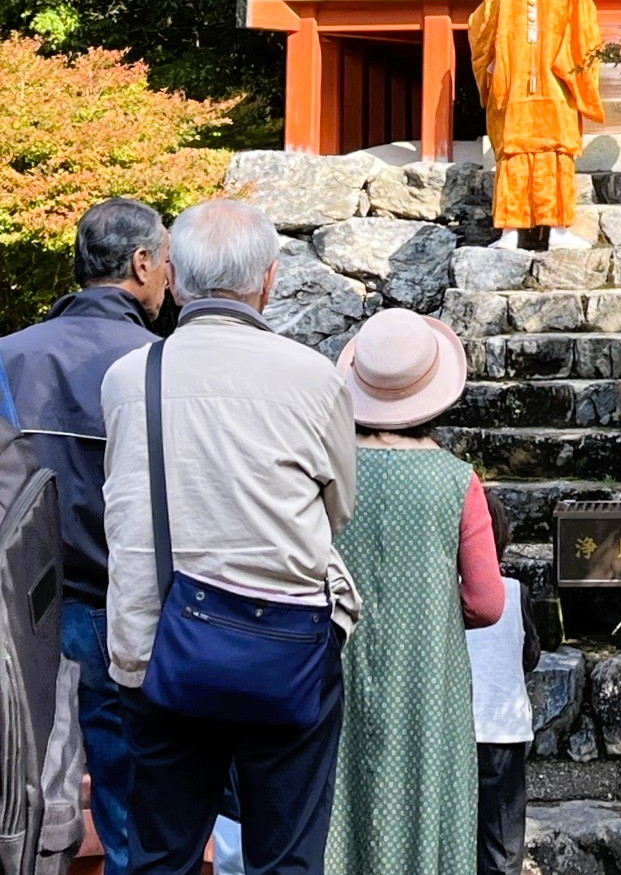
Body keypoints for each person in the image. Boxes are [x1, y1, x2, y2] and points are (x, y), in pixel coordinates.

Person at [102, 198, 360, 875]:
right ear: (269, 279)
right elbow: (338, 507)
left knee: (163, 855)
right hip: (287, 645)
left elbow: (126, 510)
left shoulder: (131, 377)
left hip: (160, 647)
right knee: (287, 857)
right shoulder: (314, 377)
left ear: (177, 278)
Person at [0, 198, 169, 875]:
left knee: (26, 803)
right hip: (121, 614)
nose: (167, 281)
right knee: (133, 811)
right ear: (139, 263)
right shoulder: (160, 363)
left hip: (18, 621)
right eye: (165, 264)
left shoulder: (8, 357)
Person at [327, 306, 504, 875]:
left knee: (342, 798)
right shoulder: (458, 480)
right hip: (429, 679)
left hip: (336, 667)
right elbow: (486, 602)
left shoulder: (327, 470)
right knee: (429, 802)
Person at [468, 0, 605, 251]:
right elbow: (587, 38)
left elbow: (480, 31)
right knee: (554, 152)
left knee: (514, 153)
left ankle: (510, 233)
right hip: (556, 83)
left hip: (514, 84)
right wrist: (580, 78)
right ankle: (557, 231)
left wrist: (492, 71)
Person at [467, 491, 541, 875]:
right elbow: (530, 656)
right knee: (502, 844)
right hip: (501, 729)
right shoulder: (515, 592)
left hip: (452, 729)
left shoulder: (440, 592)